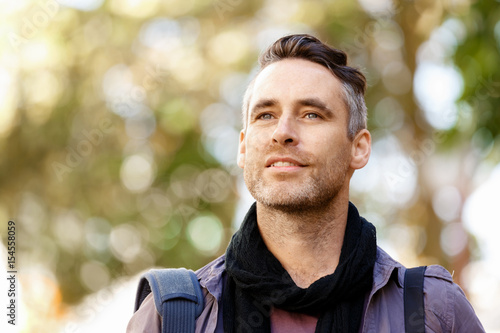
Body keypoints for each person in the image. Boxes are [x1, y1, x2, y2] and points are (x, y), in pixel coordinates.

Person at [127, 34, 484, 332]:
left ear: (358, 149)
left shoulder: (433, 313)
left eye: (311, 114)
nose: (283, 133)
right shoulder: (172, 316)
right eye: (266, 115)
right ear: (242, 146)